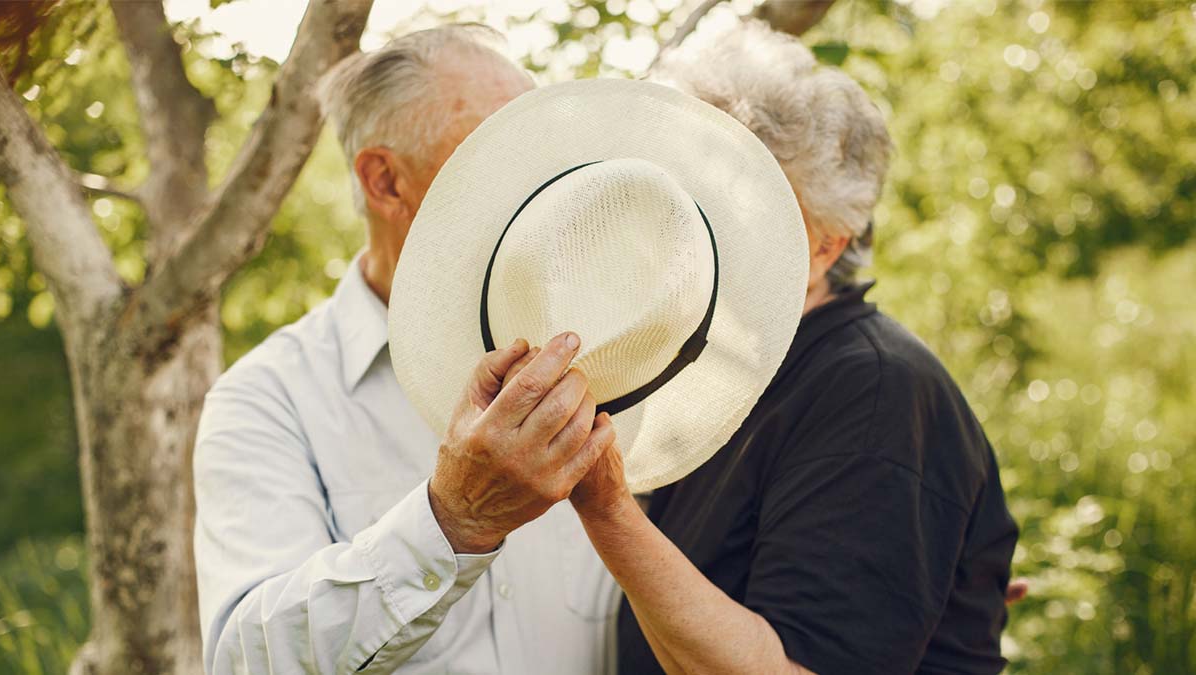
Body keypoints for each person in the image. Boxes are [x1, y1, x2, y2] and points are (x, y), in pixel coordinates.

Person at [555, 21, 1020, 675]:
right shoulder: (718, 366)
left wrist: (607, 509)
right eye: (682, 186)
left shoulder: (873, 392)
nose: (686, 221)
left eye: (732, 203)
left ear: (825, 244)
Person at [192, 26, 621, 674]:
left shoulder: (612, 354)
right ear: (386, 181)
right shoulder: (266, 400)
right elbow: (247, 659)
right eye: (497, 153)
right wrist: (450, 521)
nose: (539, 184)